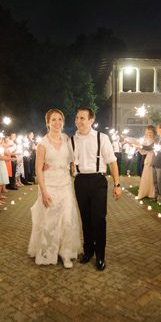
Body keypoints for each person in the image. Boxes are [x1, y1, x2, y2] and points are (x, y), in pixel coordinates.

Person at [28, 109, 81, 267]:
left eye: (60, 119)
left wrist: (73, 168)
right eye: (53, 120)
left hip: (65, 184)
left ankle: (66, 254)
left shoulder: (67, 140)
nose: (57, 123)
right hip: (49, 185)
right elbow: (38, 169)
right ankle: (48, 252)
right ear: (48, 123)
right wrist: (43, 192)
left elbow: (74, 158)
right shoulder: (42, 144)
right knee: (50, 221)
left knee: (67, 219)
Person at [72, 107, 121, 271]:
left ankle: (100, 255)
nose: (78, 121)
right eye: (77, 118)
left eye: (82, 118)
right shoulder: (72, 140)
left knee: (99, 219)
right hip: (80, 181)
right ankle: (88, 251)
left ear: (91, 120)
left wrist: (117, 184)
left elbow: (112, 161)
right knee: (85, 219)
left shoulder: (102, 138)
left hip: (98, 180)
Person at [124, 126, 156, 200]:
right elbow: (137, 141)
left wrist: (140, 146)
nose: (149, 134)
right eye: (148, 132)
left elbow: (148, 147)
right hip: (148, 157)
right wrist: (128, 139)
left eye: (150, 132)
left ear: (154, 132)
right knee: (146, 174)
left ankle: (152, 192)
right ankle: (145, 192)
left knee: (152, 175)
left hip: (153, 157)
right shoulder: (145, 140)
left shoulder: (154, 140)